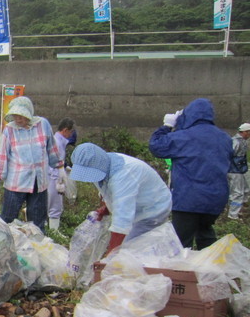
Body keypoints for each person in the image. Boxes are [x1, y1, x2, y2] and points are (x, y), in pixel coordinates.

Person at [149, 97, 232, 249]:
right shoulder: (225, 138)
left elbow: (156, 146)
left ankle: (179, 271)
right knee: (205, 234)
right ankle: (211, 270)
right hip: (216, 199)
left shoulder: (184, 137)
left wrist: (167, 126)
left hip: (188, 200)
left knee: (180, 244)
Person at [69, 143, 171, 255]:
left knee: (129, 251)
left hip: (153, 208)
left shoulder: (123, 175)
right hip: (137, 206)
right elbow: (108, 193)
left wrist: (110, 257)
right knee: (127, 252)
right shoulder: (101, 164)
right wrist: (106, 208)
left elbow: (122, 221)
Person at [0, 96, 64, 232]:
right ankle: (5, 246)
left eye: (21, 116)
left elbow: (51, 148)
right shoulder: (9, 130)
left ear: (28, 113)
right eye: (15, 116)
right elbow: (3, 155)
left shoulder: (43, 125)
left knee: (37, 221)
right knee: (7, 218)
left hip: (39, 182)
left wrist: (60, 167)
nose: (18, 119)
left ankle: (36, 247)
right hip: (16, 182)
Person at [47, 117, 76, 230]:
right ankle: (53, 232)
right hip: (53, 178)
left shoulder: (59, 142)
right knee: (55, 206)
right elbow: (54, 164)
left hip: (52, 177)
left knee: (52, 205)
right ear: (65, 130)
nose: (71, 135)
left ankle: (51, 230)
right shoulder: (57, 143)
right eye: (71, 131)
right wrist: (58, 180)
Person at [227, 123, 250, 220]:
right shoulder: (235, 142)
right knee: (237, 193)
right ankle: (233, 216)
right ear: (245, 132)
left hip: (239, 170)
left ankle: (239, 211)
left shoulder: (242, 141)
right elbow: (229, 156)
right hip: (234, 171)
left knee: (244, 191)